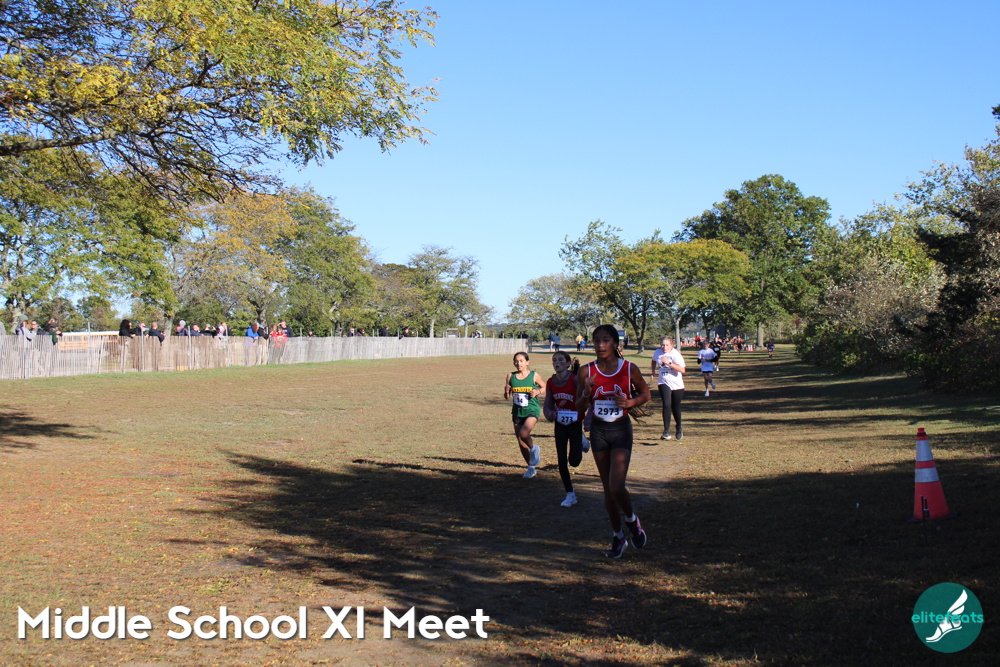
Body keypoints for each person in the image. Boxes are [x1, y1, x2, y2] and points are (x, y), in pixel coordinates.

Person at [576, 324, 651, 558]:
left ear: (615, 344)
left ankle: (632, 520)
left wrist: (629, 403)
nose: (600, 345)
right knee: (608, 490)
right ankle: (618, 536)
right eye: (596, 340)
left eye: (606, 340)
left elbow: (646, 394)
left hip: (620, 430)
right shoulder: (586, 371)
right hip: (599, 431)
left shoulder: (629, 368)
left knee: (617, 485)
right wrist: (586, 392)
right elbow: (579, 407)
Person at [542, 351, 589, 507]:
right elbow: (548, 404)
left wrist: (584, 415)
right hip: (560, 424)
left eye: (560, 360)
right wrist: (550, 414)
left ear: (568, 363)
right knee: (561, 460)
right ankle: (570, 493)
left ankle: (581, 440)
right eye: (554, 360)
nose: (556, 362)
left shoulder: (574, 379)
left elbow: (586, 398)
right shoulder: (551, 382)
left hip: (575, 423)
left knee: (574, 462)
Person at [504, 351, 545, 478]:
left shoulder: (533, 375)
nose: (518, 363)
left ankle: (533, 448)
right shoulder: (510, 376)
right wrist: (506, 392)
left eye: (521, 361)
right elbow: (507, 396)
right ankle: (531, 467)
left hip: (532, 410)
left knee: (524, 434)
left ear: (527, 362)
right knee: (521, 442)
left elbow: (544, 387)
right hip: (518, 411)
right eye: (516, 361)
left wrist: (537, 391)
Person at [650, 336, 685, 440]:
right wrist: (653, 371)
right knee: (666, 404)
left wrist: (669, 363)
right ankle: (666, 431)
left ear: (671, 345)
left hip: (677, 384)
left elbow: (682, 370)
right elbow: (653, 360)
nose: (664, 347)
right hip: (663, 382)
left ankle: (679, 427)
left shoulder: (675, 354)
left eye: (667, 345)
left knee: (675, 407)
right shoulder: (657, 352)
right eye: (662, 345)